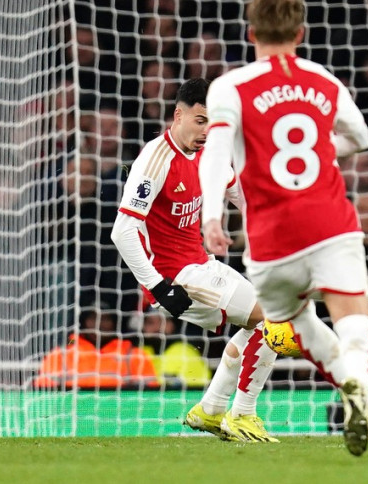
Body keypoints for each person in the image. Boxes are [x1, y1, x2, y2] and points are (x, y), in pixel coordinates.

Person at [199, 0, 368, 457]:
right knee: (354, 323)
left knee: (296, 323)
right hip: (330, 224)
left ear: (251, 32)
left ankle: (349, 384)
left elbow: (216, 152)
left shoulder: (231, 86)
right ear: (300, 33)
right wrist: (327, 152)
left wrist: (212, 214)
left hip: (271, 238)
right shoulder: (322, 79)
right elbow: (360, 138)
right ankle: (359, 387)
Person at [110, 78, 280, 443]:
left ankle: (212, 410)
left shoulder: (210, 153)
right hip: (175, 276)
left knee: (262, 326)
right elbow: (122, 232)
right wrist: (156, 286)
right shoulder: (155, 161)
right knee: (273, 318)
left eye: (213, 123)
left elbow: (240, 195)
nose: (206, 131)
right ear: (179, 115)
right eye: (200, 121)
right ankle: (243, 415)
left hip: (201, 264)